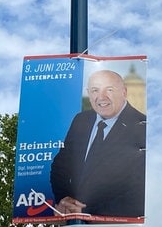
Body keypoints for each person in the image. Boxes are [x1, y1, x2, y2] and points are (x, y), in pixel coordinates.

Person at [50, 70, 146, 218]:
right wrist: (64, 199)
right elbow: (61, 165)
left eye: (109, 89)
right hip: (74, 222)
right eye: (95, 90)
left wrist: (89, 212)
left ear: (124, 92)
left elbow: (138, 188)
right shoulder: (81, 120)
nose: (101, 97)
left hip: (118, 226)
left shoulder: (143, 126)